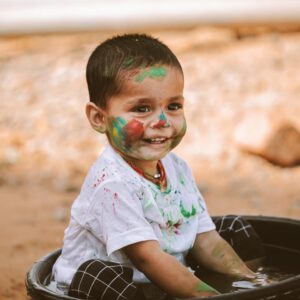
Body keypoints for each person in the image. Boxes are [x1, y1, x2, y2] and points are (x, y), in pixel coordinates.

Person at [51, 33, 265, 300]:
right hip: (102, 286)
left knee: (235, 229)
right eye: (142, 109)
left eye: (173, 106)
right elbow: (147, 258)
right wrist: (209, 297)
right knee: (105, 279)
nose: (163, 121)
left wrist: (252, 284)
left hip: (165, 279)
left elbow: (205, 240)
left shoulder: (177, 168)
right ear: (98, 118)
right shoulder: (112, 184)